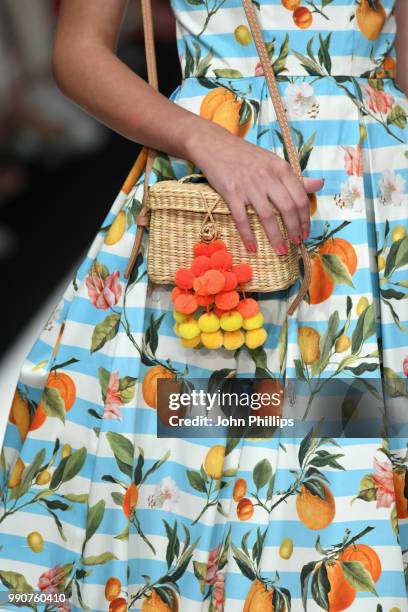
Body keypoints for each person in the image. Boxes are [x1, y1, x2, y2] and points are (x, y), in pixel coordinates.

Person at [1, 0, 407, 610]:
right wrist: (204, 139)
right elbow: (78, 52)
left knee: (359, 449)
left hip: (376, 198)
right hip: (215, 195)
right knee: (198, 449)